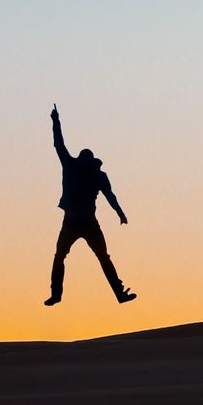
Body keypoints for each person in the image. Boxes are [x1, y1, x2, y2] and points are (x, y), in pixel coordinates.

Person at [45, 104, 136, 306]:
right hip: (82, 221)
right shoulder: (92, 172)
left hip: (77, 221)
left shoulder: (75, 167)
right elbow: (110, 196)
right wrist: (120, 213)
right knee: (99, 257)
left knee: (64, 256)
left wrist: (56, 121)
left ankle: (57, 295)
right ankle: (118, 294)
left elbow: (58, 145)